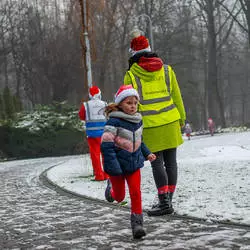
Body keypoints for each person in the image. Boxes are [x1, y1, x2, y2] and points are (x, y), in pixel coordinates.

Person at [124, 31, 186, 216]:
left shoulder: (131, 75)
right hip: (171, 121)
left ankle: (164, 202)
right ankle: (168, 200)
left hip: (149, 125)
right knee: (171, 163)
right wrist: (182, 118)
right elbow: (177, 96)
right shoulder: (167, 70)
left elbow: (129, 104)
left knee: (156, 163)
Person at [101, 85, 156, 239]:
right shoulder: (113, 122)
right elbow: (106, 146)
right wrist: (113, 167)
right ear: (120, 104)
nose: (132, 106)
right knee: (119, 197)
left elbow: (140, 141)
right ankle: (111, 188)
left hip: (134, 165)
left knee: (136, 192)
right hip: (117, 166)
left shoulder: (138, 120)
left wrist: (147, 153)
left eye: (135, 103)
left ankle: (138, 224)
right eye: (128, 103)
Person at [78, 86, 108, 181]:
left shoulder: (86, 105)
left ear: (90, 95)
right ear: (99, 93)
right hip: (104, 133)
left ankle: (99, 175)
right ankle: (107, 175)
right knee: (106, 154)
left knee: (95, 155)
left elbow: (82, 116)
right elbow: (109, 116)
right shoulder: (105, 104)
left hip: (92, 134)